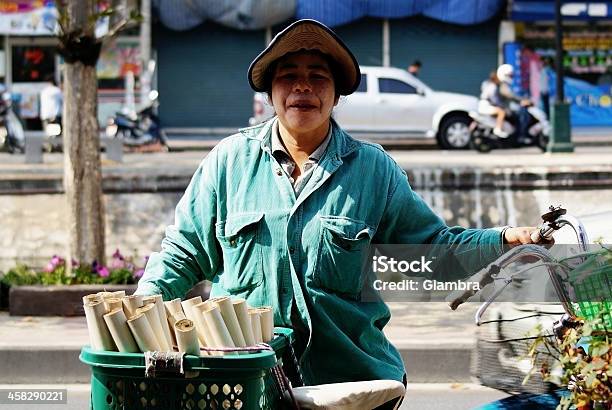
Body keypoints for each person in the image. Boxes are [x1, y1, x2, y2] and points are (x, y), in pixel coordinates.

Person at [135, 19, 547, 409]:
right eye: (288, 75)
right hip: (246, 383)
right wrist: (139, 310)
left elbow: (432, 249)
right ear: (270, 92)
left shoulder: (373, 169)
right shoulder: (228, 162)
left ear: (335, 94)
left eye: (318, 76)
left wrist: (504, 240)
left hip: (349, 385)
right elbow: (185, 252)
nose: (302, 87)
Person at [496, 64, 532, 141]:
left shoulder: (505, 84)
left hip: (506, 107)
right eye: (510, 75)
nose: (511, 77)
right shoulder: (502, 85)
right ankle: (521, 135)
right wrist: (521, 100)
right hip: (504, 108)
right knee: (522, 115)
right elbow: (510, 95)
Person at [478, 70, 508, 138]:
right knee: (501, 112)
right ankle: (498, 129)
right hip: (486, 105)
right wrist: (501, 105)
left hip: (481, 104)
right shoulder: (493, 87)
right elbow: (494, 99)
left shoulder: (486, 84)